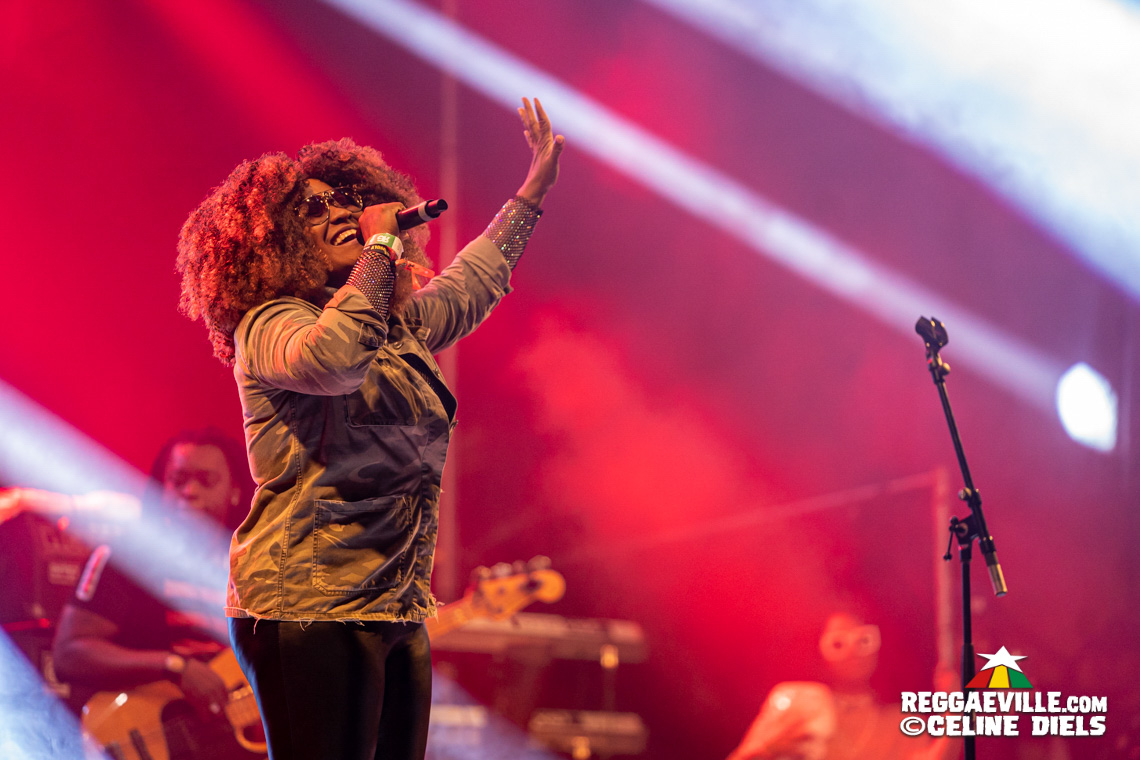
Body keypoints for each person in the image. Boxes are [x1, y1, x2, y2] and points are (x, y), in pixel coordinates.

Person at [174, 98, 564, 760]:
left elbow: (471, 284)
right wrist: (381, 247)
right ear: (273, 241)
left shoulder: (394, 321)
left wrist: (531, 193)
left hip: (395, 603)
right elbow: (332, 361)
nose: (339, 217)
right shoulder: (268, 324)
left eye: (340, 203)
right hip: (308, 600)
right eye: (313, 210)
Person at [52, 428, 256, 759]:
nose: (189, 491)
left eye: (206, 481)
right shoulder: (126, 558)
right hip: (146, 734)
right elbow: (70, 653)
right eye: (178, 480)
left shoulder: (251, 569)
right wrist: (176, 667)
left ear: (234, 492)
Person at [727, 613, 957, 760]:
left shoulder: (898, 722)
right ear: (819, 651)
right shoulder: (799, 705)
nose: (852, 652)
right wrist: (768, 748)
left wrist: (956, 704)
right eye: (838, 643)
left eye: (863, 640)